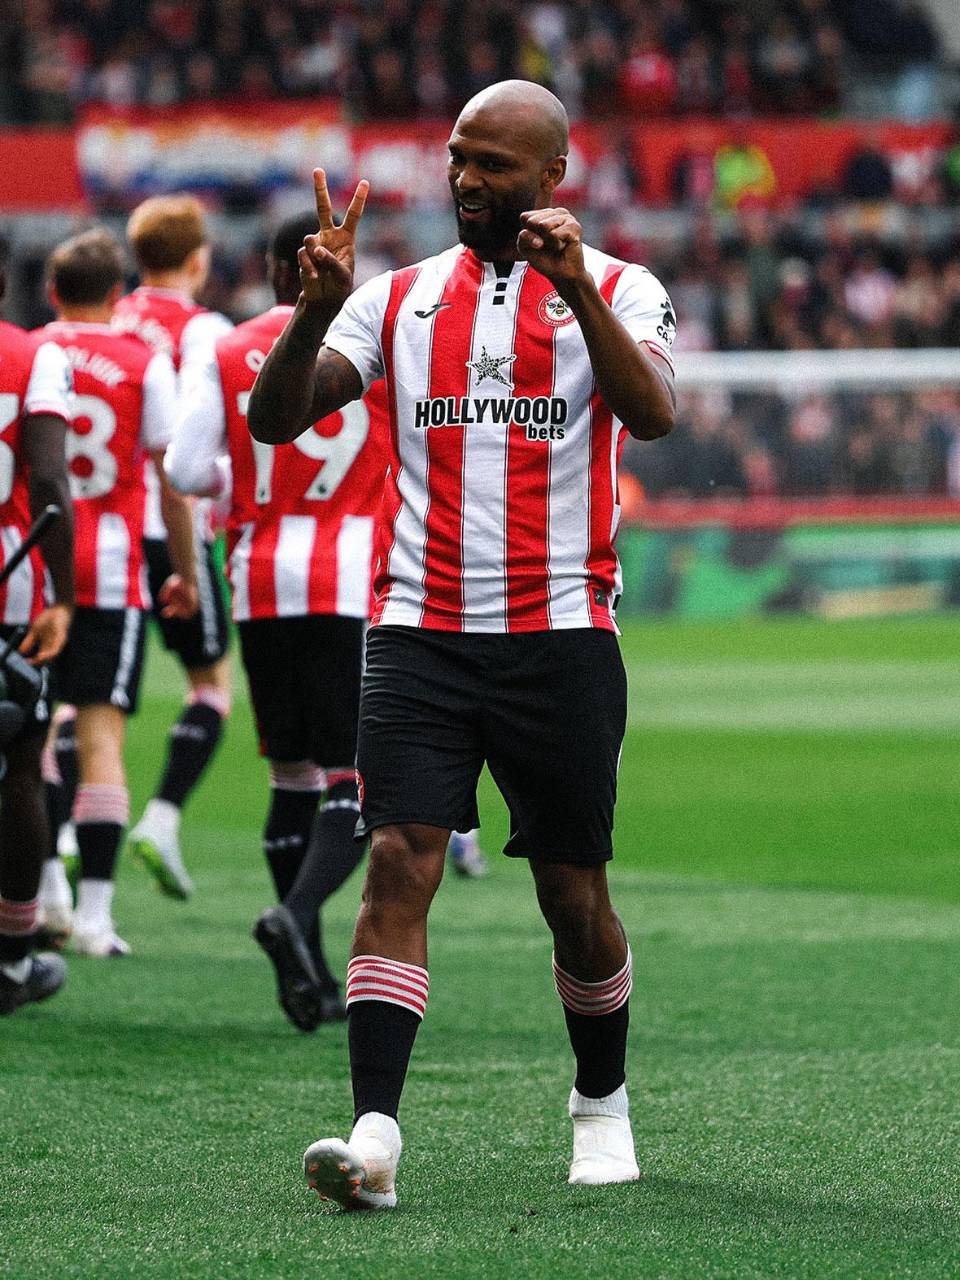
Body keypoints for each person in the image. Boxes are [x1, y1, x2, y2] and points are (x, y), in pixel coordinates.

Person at [249, 81, 676, 1208]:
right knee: (398, 861)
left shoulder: (625, 287)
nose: (466, 179)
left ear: (553, 180)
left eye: (492, 163)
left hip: (560, 635)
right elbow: (277, 418)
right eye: (456, 157)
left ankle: (601, 1102)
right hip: (417, 629)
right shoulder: (392, 299)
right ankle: (375, 1134)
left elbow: (657, 413)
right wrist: (308, 309)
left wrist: (577, 289)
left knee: (572, 895)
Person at [166, 212, 387, 1030]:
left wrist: (246, 471)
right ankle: (294, 920)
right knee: (356, 779)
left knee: (292, 775)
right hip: (347, 575)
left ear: (270, 269)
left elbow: (187, 469)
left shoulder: (225, 349)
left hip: (257, 576)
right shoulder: (377, 340)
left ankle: (315, 974)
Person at [39, 229, 198, 956]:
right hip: (108, 572)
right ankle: (98, 919)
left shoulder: (27, 354)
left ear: (51, 293)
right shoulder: (143, 361)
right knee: (102, 741)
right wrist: (188, 574)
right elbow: (171, 482)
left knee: (30, 739)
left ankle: (47, 895)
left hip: (33, 574)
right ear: (116, 296)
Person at [109, 194, 234, 899]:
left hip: (107, 531)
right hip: (174, 527)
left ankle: (66, 838)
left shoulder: (109, 317)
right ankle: (159, 819)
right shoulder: (206, 328)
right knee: (210, 687)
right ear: (197, 260)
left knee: (81, 701)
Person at [0, 269, 76, 1013]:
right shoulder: (34, 355)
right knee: (20, 770)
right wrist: (65, 594)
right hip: (11, 586)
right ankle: (14, 960)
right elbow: (48, 476)